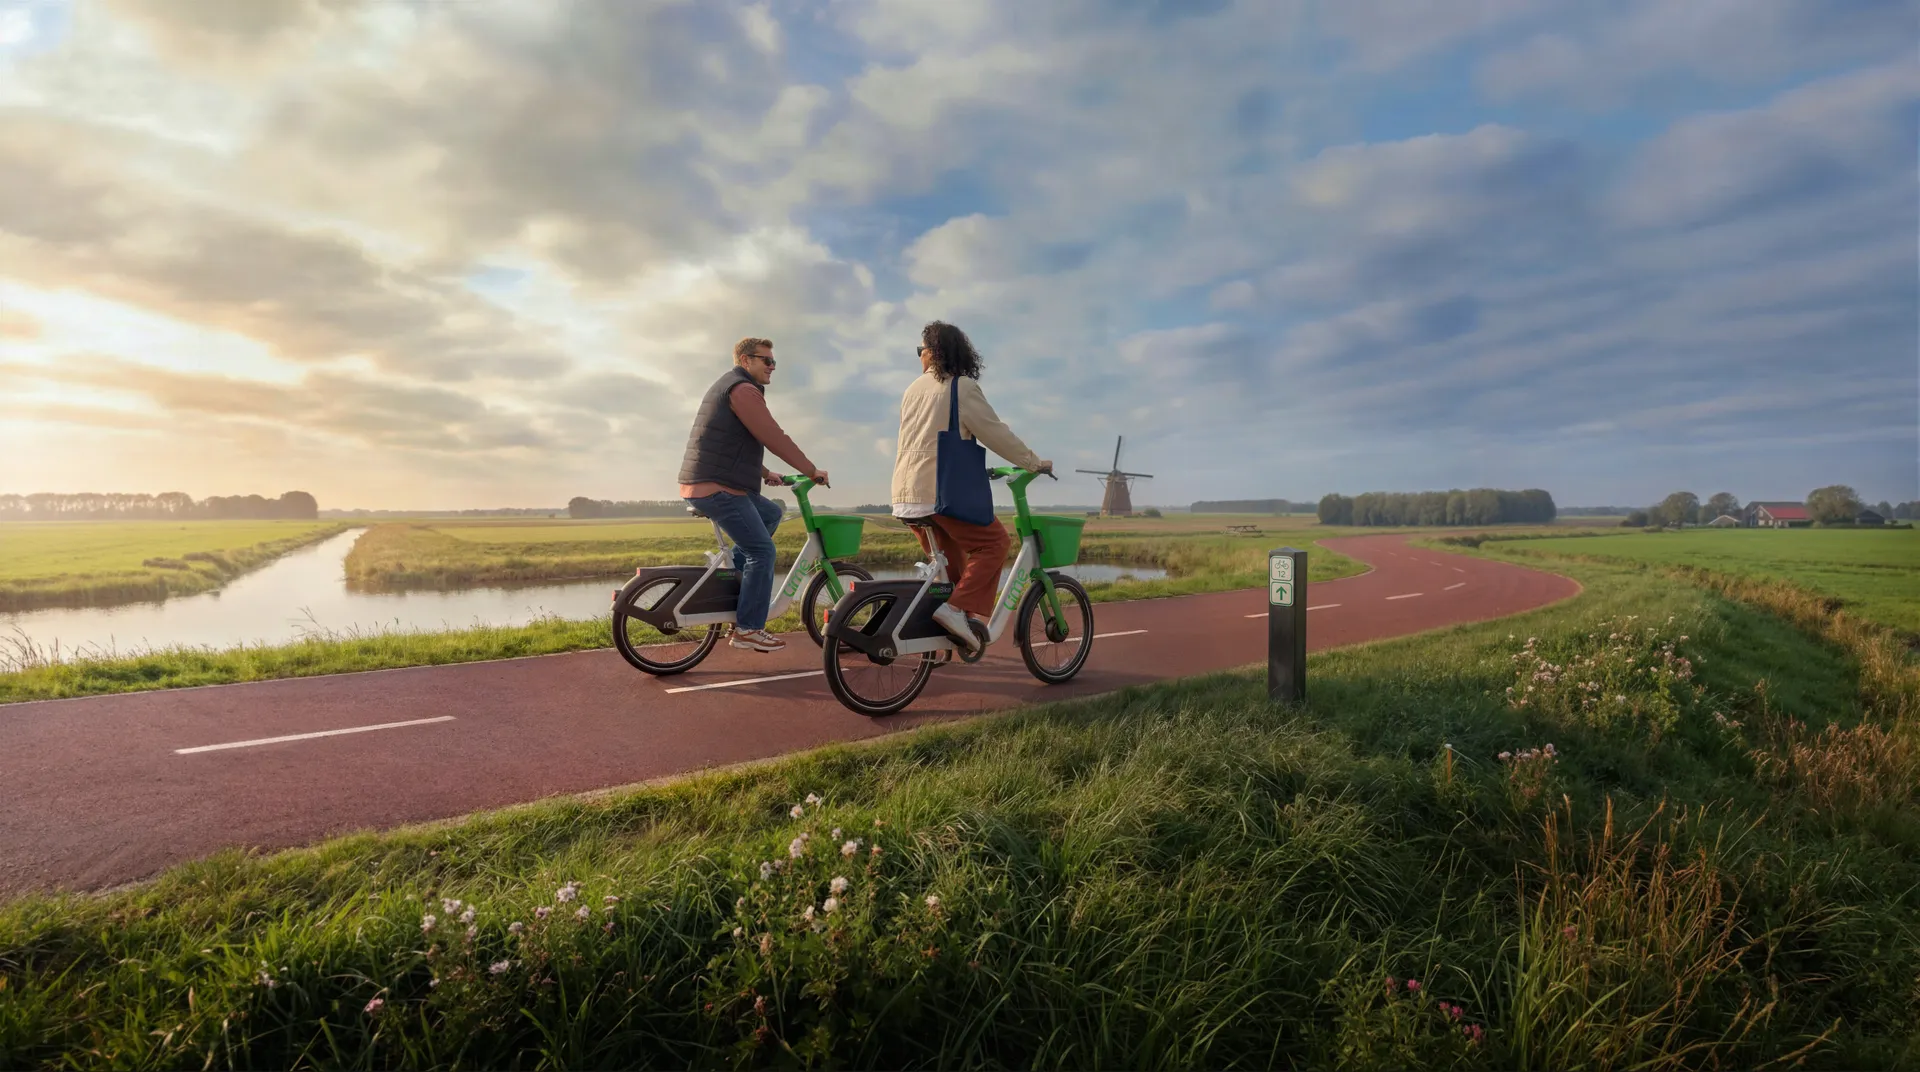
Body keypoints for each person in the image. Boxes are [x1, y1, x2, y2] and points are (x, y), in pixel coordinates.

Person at [890, 321, 1051, 653]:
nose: (920, 357)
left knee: (952, 569)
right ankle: (953, 611)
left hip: (906, 496)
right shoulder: (960, 387)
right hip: (940, 494)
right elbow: (995, 432)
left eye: (922, 351)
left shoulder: (912, 390)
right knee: (995, 543)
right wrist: (1034, 462)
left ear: (933, 353)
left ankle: (939, 640)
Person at [678, 337, 829, 653]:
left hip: (710, 482)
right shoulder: (743, 390)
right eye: (767, 361)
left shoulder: (731, 387)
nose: (773, 367)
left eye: (774, 361)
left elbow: (731, 443)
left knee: (771, 513)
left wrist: (765, 474)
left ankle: (731, 579)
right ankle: (748, 628)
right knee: (763, 553)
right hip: (716, 488)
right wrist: (811, 469)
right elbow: (774, 437)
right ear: (745, 361)